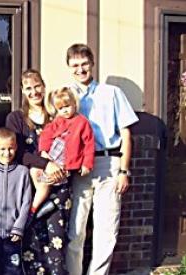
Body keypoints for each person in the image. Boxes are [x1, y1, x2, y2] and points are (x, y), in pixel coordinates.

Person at [64, 43, 139, 275]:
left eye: (84, 63)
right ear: (68, 67)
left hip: (108, 164)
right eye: (75, 65)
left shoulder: (112, 93)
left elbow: (126, 134)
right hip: (78, 169)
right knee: (75, 230)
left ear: (92, 64)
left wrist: (124, 171)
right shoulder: (66, 95)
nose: (80, 69)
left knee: (106, 231)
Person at [6, 69, 70, 275]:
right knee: (30, 247)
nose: (34, 92)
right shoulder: (16, 119)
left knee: (56, 246)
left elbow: (71, 145)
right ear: (22, 91)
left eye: (37, 87)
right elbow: (18, 153)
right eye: (28, 88)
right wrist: (45, 164)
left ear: (44, 86)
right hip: (29, 191)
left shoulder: (57, 116)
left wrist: (63, 169)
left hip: (58, 189)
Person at [32, 87, 95, 215]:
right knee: (35, 172)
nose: (65, 111)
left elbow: (89, 144)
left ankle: (34, 208)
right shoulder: (58, 121)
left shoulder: (82, 122)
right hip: (53, 154)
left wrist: (86, 164)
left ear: (74, 104)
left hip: (67, 159)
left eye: (67, 106)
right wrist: (43, 151)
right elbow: (46, 135)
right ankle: (44, 204)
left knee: (47, 182)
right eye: (60, 108)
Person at [0, 127, 32, 275]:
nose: (6, 153)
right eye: (2, 149)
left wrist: (19, 226)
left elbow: (26, 202)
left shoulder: (22, 172)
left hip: (13, 234)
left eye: (10, 148)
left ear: (16, 147)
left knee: (13, 270)